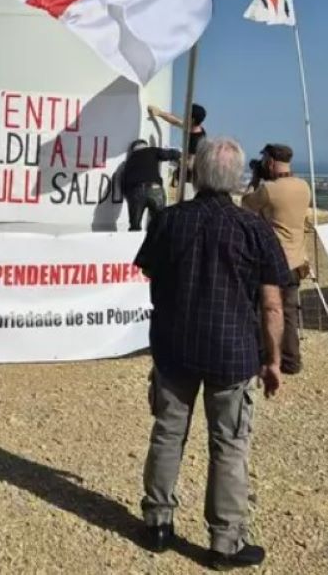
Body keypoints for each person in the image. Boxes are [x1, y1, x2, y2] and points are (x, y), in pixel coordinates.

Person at [133, 137, 287, 570]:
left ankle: (158, 523)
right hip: (232, 351)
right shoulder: (253, 228)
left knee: (167, 432)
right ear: (238, 177)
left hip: (174, 345)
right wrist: (273, 359)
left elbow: (149, 271)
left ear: (197, 173)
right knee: (229, 445)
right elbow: (272, 304)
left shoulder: (167, 220)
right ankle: (225, 541)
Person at [241, 144, 312, 375]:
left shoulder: (270, 189)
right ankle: (292, 361)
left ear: (270, 162)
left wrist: (254, 181)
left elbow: (246, 205)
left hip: (272, 260)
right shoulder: (304, 186)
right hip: (297, 259)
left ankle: (266, 358)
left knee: (266, 309)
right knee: (290, 312)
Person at [147, 103, 207, 199]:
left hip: (189, 183)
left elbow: (190, 165)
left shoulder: (196, 141)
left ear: (193, 120)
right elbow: (175, 121)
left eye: (187, 114)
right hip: (185, 178)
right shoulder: (192, 127)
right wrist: (159, 113)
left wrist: (176, 156)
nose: (184, 115)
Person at [121, 139, 181, 231]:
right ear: (145, 145)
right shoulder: (152, 150)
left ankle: (135, 242)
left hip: (135, 191)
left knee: (135, 226)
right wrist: (178, 154)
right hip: (154, 188)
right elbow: (169, 154)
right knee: (160, 223)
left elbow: (124, 182)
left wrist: (128, 196)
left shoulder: (129, 160)